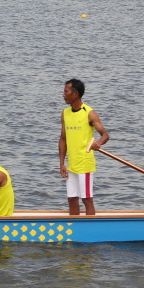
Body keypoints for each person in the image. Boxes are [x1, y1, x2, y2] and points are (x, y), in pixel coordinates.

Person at [58, 78, 109, 216]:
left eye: (66, 91)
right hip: (72, 164)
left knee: (86, 199)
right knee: (72, 199)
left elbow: (105, 135)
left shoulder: (89, 113)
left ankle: (91, 229)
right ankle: (74, 228)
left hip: (85, 164)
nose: (63, 95)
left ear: (75, 94)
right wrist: (62, 163)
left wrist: (98, 143)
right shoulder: (65, 113)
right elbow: (63, 139)